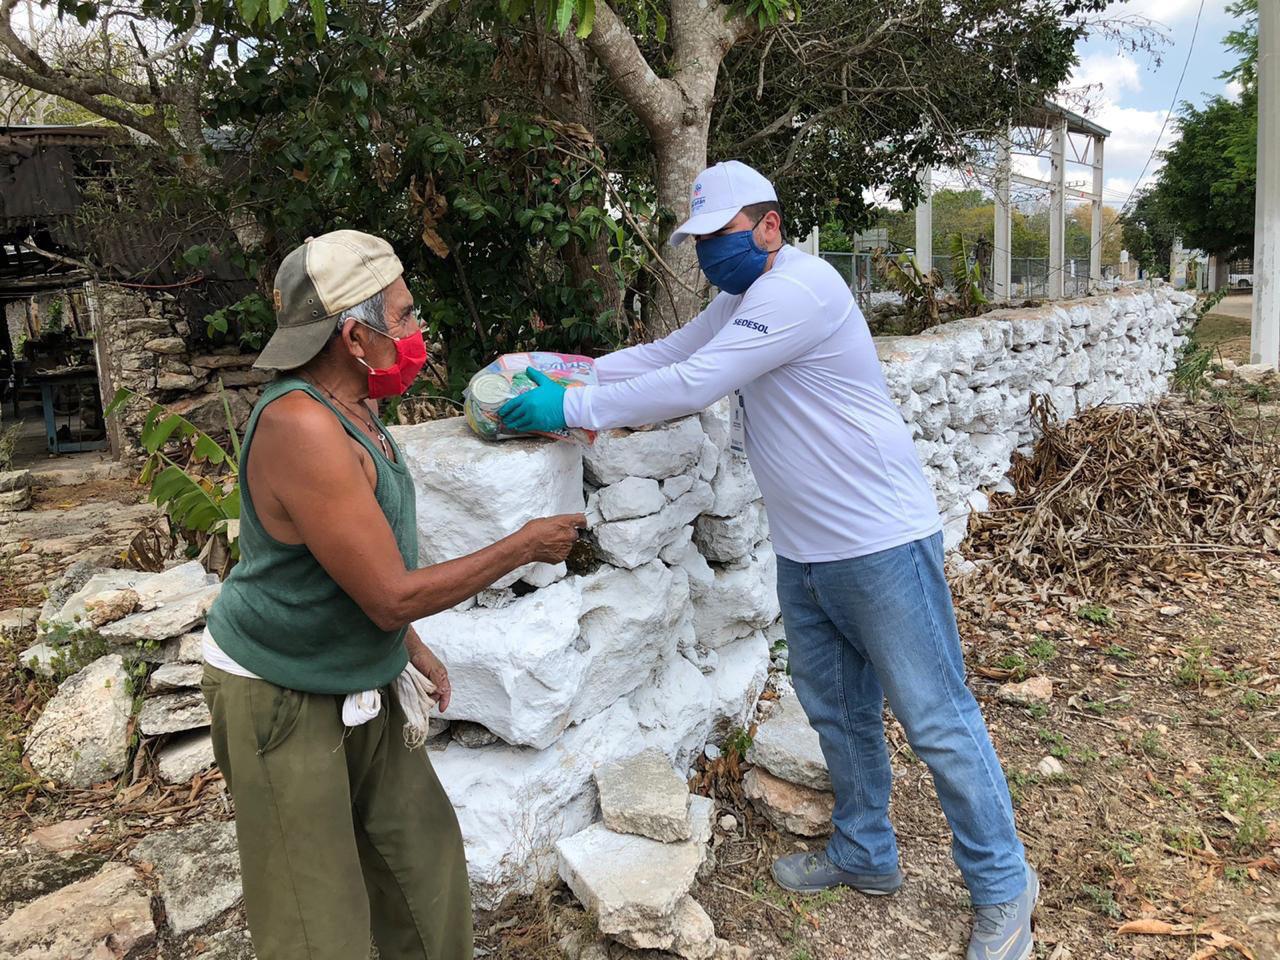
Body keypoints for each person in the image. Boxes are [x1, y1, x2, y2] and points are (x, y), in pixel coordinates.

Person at [499, 162, 1038, 960]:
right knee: (838, 711)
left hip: (880, 540)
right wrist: (573, 369)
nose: (710, 254)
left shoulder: (800, 291)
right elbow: (668, 351)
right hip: (808, 549)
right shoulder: (741, 297)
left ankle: (1003, 887)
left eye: (720, 237)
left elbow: (693, 382)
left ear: (769, 227)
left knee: (936, 719)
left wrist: (572, 408)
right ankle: (866, 853)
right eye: (701, 242)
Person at [201, 230, 585, 960]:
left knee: (424, 871)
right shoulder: (301, 426)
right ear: (353, 335)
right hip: (280, 693)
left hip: (356, 675)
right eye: (405, 318)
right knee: (318, 926)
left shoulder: (356, 409)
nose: (418, 333)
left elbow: (354, 566)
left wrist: (408, 646)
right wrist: (524, 545)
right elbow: (387, 593)